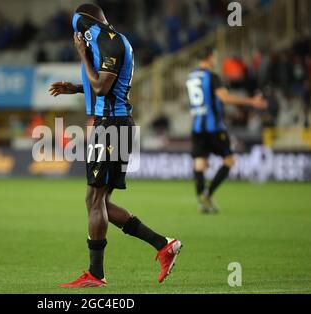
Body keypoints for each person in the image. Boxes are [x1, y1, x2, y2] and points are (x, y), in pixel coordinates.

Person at [49, 3, 182, 288]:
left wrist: (83, 56)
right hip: (113, 124)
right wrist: (75, 87)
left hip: (110, 126)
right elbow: (108, 84)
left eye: (79, 30)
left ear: (85, 24)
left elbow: (102, 87)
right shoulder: (113, 41)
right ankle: (163, 245)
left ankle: (96, 274)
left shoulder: (107, 43)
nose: (78, 36)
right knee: (100, 201)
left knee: (94, 201)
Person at [186, 47, 267, 214]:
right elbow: (224, 98)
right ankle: (207, 194)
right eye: (214, 57)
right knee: (229, 160)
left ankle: (202, 199)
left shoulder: (191, 77)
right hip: (214, 127)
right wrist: (251, 101)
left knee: (199, 162)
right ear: (209, 57)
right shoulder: (212, 76)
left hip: (197, 126)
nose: (215, 60)